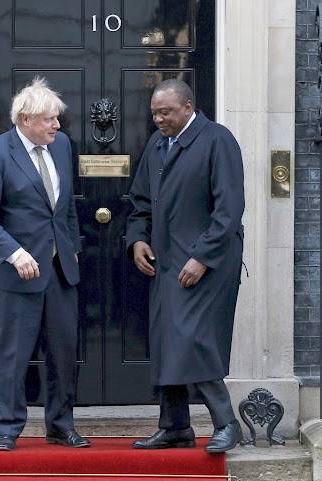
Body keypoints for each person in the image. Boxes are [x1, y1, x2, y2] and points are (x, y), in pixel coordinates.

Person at [0, 77, 90, 451]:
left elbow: (64, 207)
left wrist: (71, 248)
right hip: (15, 272)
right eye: (49, 119)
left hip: (59, 271)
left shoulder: (62, 146)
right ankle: (8, 428)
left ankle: (60, 425)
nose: (57, 125)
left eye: (57, 119)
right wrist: (15, 253)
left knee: (64, 351)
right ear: (24, 119)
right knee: (14, 354)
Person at [126, 79, 245, 453]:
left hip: (207, 265)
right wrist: (137, 238)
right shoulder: (158, 143)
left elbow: (229, 210)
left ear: (188, 107)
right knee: (168, 341)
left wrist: (202, 257)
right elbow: (140, 200)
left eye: (166, 112)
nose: (159, 119)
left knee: (194, 340)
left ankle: (227, 423)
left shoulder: (217, 140)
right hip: (166, 263)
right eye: (155, 113)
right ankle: (175, 427)